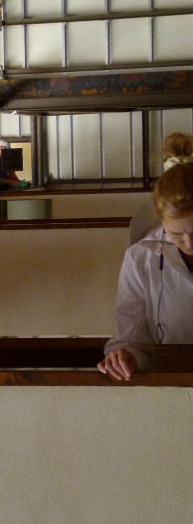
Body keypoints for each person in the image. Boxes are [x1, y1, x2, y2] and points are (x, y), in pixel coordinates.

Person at [99, 162, 193, 381]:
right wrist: (124, 355)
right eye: (177, 234)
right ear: (162, 221)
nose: (188, 243)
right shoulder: (140, 258)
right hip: (172, 377)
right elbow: (131, 335)